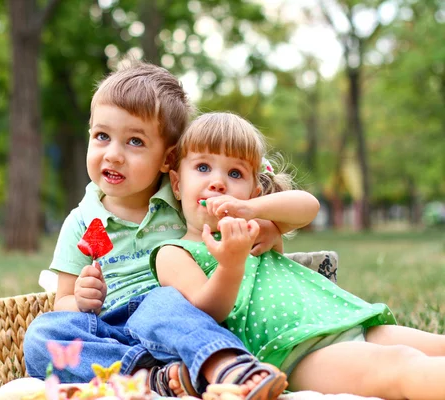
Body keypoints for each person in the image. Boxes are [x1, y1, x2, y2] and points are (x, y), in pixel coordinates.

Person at [23, 62, 289, 399]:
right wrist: (80, 300)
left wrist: (266, 225)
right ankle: (155, 378)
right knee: (42, 335)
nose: (114, 155)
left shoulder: (183, 198)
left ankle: (227, 365)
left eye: (134, 141)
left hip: (178, 320)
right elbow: (62, 300)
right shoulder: (80, 221)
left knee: (159, 301)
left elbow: (249, 210)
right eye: (102, 136)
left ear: (168, 159)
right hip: (110, 331)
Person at [150, 111, 445, 400]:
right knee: (402, 367)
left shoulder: (259, 229)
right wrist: (231, 264)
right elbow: (206, 313)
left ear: (253, 192)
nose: (218, 182)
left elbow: (308, 206)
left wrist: (254, 211)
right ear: (177, 184)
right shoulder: (174, 253)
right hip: (295, 351)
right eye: (203, 167)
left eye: (235, 173)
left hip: (342, 321)